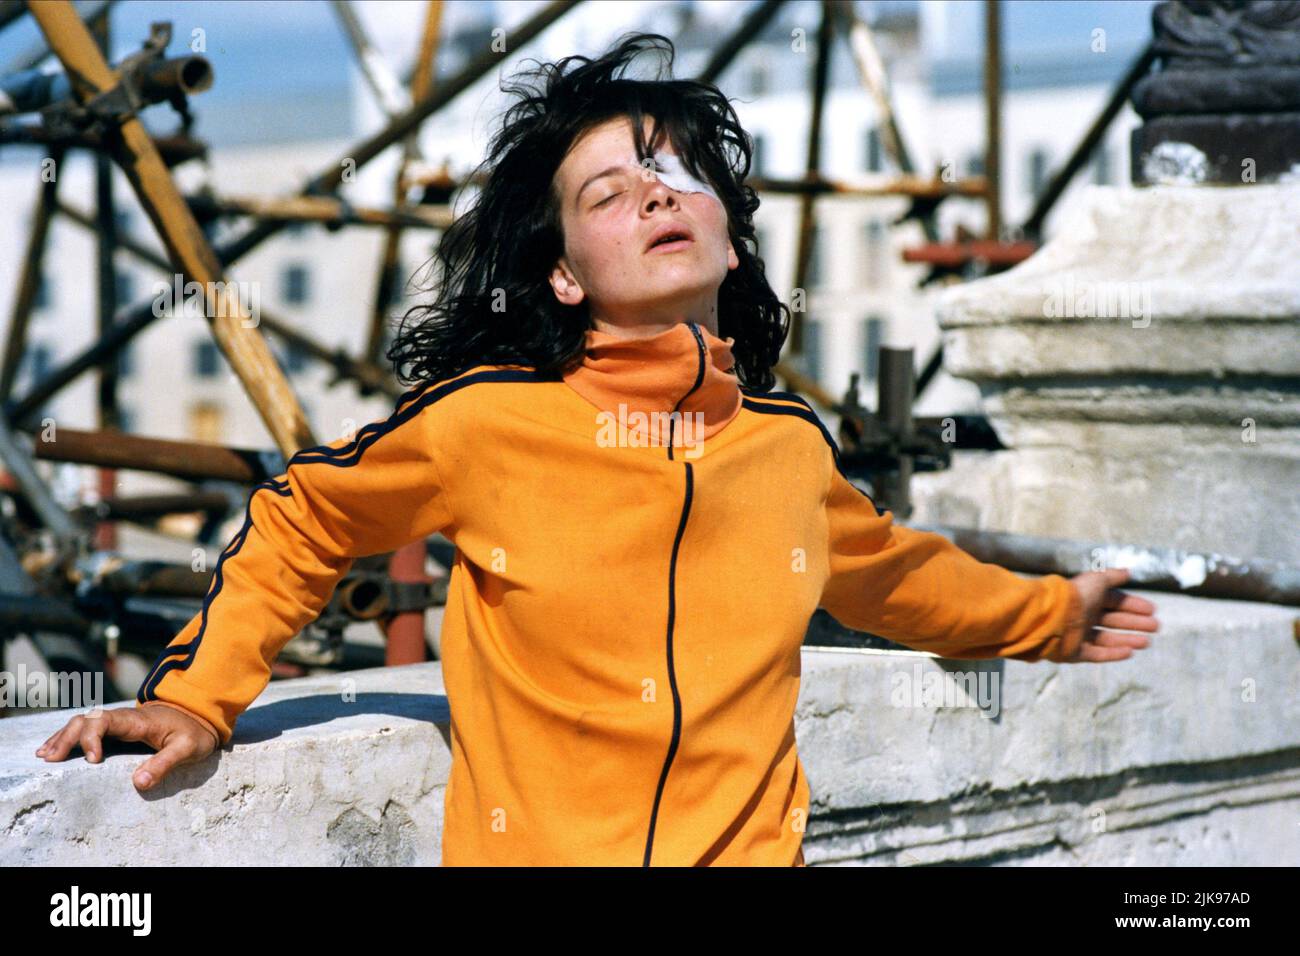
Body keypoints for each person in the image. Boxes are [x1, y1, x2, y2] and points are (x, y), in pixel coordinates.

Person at [34, 33, 1158, 866]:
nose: (654, 196)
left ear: (726, 230)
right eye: (607, 193)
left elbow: (897, 577)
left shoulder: (784, 452)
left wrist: (1051, 613)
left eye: (675, 177)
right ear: (565, 274)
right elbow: (306, 517)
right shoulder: (489, 422)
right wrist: (199, 695)